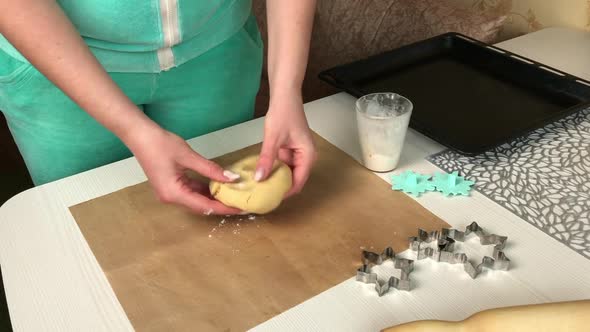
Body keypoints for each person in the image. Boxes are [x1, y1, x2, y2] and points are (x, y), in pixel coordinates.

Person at [0, 0, 317, 215]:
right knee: (97, 229)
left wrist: (288, 89)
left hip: (218, 53)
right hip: (55, 64)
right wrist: (132, 129)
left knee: (219, 224)